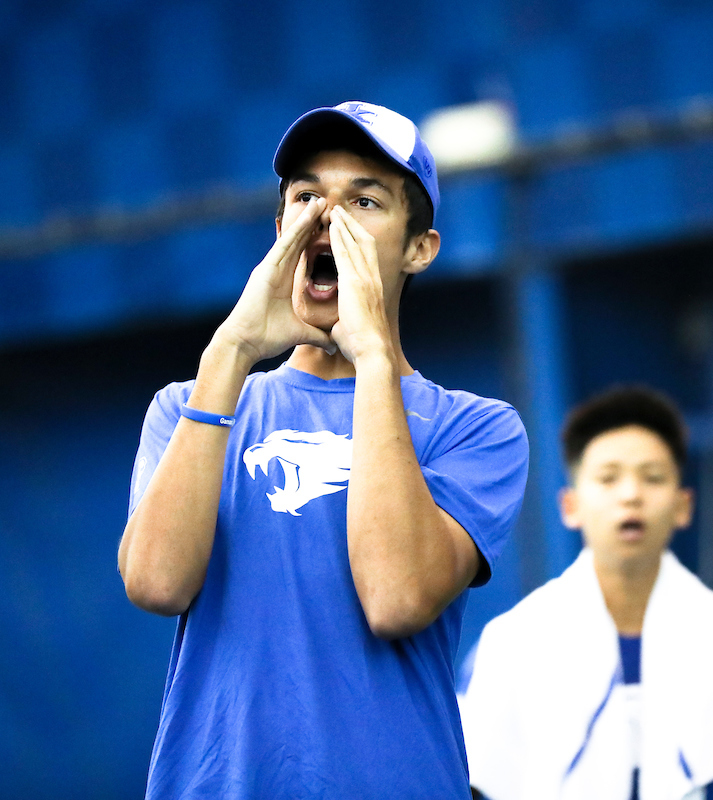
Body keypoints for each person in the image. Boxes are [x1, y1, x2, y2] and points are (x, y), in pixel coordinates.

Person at [117, 101, 529, 799]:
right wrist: (232, 350)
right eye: (307, 197)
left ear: (418, 248)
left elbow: (396, 598)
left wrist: (372, 358)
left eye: (363, 201)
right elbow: (156, 583)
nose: (325, 221)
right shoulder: (189, 405)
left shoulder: (476, 428)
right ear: (281, 230)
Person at [460, 386, 713, 800]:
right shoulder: (511, 643)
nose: (631, 495)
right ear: (570, 505)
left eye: (652, 477)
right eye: (608, 478)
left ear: (684, 505)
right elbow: (472, 781)